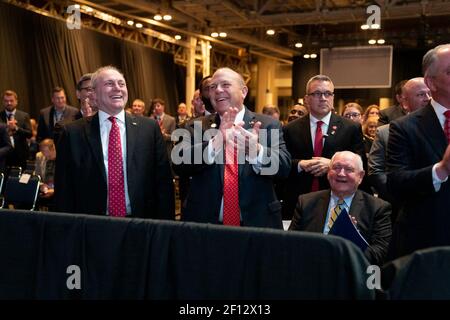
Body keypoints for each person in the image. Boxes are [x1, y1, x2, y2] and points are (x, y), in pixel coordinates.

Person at [173, 67, 291, 228]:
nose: (217, 90)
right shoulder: (195, 126)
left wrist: (257, 151)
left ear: (243, 91)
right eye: (213, 87)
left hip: (257, 227)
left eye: (225, 85)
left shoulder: (267, 125)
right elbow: (179, 164)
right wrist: (216, 142)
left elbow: (283, 167)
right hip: (204, 226)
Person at [55, 65, 174, 219]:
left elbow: (163, 183)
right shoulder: (72, 133)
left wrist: (166, 230)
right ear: (94, 94)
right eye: (109, 84)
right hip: (91, 227)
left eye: (121, 83)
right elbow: (64, 189)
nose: (117, 88)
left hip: (141, 225)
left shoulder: (149, 129)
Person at [387, 44, 450, 259]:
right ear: (431, 82)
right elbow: (396, 182)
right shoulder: (405, 127)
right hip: (427, 245)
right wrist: (440, 170)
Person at [282, 75, 365, 219]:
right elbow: (281, 164)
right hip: (298, 203)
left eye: (328, 93)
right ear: (306, 99)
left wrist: (333, 165)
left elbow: (362, 165)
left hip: (338, 202)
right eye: (317, 94)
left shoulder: (351, 128)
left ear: (333, 97)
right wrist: (300, 164)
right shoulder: (290, 129)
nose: (323, 98)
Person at [289, 151, 392, 265]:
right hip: (311, 268)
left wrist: (352, 237)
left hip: (351, 273)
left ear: (361, 176)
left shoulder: (377, 208)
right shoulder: (306, 202)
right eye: (336, 167)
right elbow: (291, 243)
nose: (341, 174)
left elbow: (380, 254)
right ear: (328, 173)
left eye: (349, 169)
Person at [1, 90, 32, 169]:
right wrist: (6, 127)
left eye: (11, 100)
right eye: (6, 101)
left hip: (21, 155)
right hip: (3, 156)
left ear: (16, 101)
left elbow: (29, 134)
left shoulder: (24, 115)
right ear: (2, 102)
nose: (9, 103)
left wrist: (16, 128)